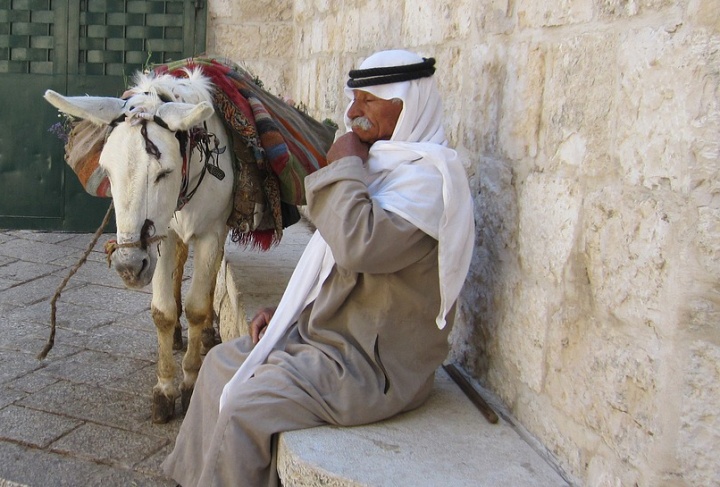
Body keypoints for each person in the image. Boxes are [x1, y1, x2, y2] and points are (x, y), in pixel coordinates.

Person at [162, 49, 475, 487]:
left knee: (247, 405)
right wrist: (292, 312)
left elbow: (356, 245)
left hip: (373, 366)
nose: (354, 113)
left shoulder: (430, 183)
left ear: (408, 104)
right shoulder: (384, 167)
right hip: (328, 334)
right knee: (218, 364)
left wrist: (343, 164)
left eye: (369, 100)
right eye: (354, 99)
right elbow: (338, 269)